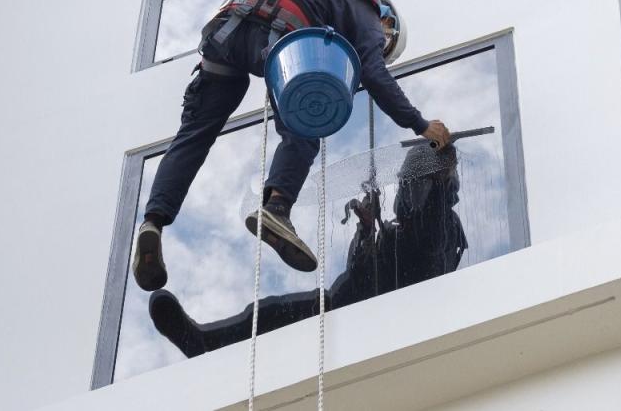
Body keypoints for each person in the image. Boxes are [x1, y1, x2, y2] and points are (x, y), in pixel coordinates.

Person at [133, 0, 452, 292]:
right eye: (385, 45)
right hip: (282, 32)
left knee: (194, 136)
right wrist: (420, 124)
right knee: (306, 118)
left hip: (226, 29)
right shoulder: (368, 12)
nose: (377, 46)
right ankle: (277, 208)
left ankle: (153, 222)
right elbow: (373, 73)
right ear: (389, 23)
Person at [147, 144, 468, 357]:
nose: (406, 191)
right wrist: (366, 229)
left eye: (417, 182)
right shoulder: (394, 234)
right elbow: (359, 275)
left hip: (381, 324)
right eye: (406, 182)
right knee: (272, 311)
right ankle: (204, 343)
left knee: (278, 315)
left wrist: (439, 172)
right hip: (347, 309)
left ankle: (206, 344)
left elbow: (427, 248)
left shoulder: (444, 227)